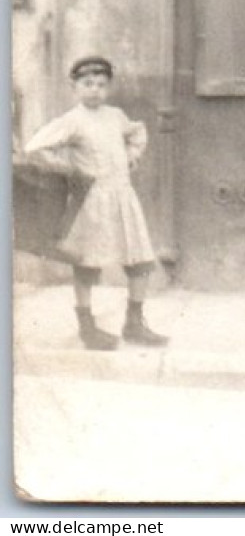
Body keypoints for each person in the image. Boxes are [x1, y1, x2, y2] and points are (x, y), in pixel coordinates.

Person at [21, 56, 167, 351]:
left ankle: (134, 324)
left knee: (140, 261)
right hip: (93, 202)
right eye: (87, 84)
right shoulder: (72, 121)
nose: (95, 90)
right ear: (73, 86)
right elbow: (34, 147)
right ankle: (87, 329)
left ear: (108, 87)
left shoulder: (114, 115)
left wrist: (131, 156)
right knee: (87, 265)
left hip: (123, 197)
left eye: (101, 85)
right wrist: (67, 169)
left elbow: (136, 133)